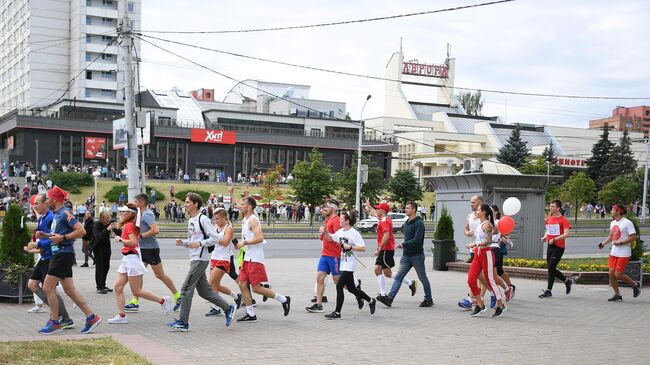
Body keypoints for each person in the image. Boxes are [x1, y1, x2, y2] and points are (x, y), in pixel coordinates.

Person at [36, 186, 102, 335]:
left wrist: (63, 238)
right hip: (59, 254)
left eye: (47, 199)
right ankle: (92, 317)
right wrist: (46, 235)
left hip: (63, 254)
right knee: (69, 290)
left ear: (54, 199)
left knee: (47, 287)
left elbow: (82, 231)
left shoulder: (65, 213)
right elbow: (58, 235)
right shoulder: (57, 214)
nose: (46, 201)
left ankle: (55, 321)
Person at [167, 193, 236, 331]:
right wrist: (184, 243)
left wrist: (199, 243)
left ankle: (183, 322)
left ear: (195, 204)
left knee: (186, 289)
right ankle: (228, 308)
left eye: (187, 202)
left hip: (200, 259)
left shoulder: (203, 219)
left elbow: (215, 238)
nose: (185, 205)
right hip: (194, 258)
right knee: (204, 291)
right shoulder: (191, 220)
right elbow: (193, 241)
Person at [229, 186, 291, 322]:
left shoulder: (253, 219)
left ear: (250, 207)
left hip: (255, 259)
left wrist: (243, 243)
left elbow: (260, 238)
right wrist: (232, 193)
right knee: (242, 284)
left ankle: (284, 299)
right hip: (247, 258)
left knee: (256, 288)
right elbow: (237, 203)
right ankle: (251, 314)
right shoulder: (245, 219)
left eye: (243, 204)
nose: (240, 206)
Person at [108, 203, 173, 324]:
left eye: (123, 212)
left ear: (130, 214)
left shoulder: (129, 226)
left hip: (132, 260)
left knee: (136, 291)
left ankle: (163, 301)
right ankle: (122, 316)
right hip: (127, 259)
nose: (121, 214)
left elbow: (133, 242)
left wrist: (120, 239)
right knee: (118, 287)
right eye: (121, 212)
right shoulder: (129, 225)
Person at [124, 194, 181, 313]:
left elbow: (156, 230)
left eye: (136, 201)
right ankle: (135, 302)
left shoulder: (147, 214)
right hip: (142, 248)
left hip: (151, 249)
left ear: (141, 202)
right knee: (138, 274)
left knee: (160, 275)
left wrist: (140, 236)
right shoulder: (140, 214)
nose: (134, 203)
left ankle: (178, 296)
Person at [24, 194, 74, 328]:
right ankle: (56, 313)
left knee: (50, 289)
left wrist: (38, 244)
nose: (34, 206)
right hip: (44, 257)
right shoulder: (42, 218)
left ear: (45, 203)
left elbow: (53, 240)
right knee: (32, 285)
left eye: (36, 203)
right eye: (34, 204)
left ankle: (64, 318)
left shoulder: (51, 218)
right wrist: (34, 249)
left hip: (52, 257)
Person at [320, 211, 376, 319]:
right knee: (351, 289)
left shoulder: (354, 233)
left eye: (341, 219)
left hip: (350, 264)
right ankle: (371, 300)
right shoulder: (341, 231)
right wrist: (326, 231)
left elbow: (363, 248)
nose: (339, 221)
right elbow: (330, 238)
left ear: (347, 221)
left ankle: (337, 312)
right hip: (343, 263)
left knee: (339, 285)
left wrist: (350, 247)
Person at [380, 201, 434, 308]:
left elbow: (417, 240)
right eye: (405, 208)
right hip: (406, 256)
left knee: (422, 277)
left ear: (414, 210)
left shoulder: (419, 224)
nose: (406, 209)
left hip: (417, 256)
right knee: (399, 276)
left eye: (408, 208)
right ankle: (390, 298)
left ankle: (428, 299)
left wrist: (404, 244)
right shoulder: (406, 224)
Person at [367, 200, 416, 304]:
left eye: (378, 208)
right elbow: (375, 213)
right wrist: (369, 206)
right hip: (385, 249)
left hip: (385, 249)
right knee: (384, 272)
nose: (376, 210)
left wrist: (379, 248)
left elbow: (386, 235)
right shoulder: (383, 218)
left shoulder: (384, 220)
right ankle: (410, 283)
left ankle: (383, 294)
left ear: (383, 210)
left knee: (380, 271)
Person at [466, 204, 507, 317]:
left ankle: (500, 305)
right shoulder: (480, 225)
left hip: (487, 254)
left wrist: (475, 244)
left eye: (479, 209)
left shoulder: (487, 225)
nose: (476, 211)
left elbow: (489, 241)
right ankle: (480, 304)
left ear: (484, 212)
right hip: (478, 254)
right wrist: (475, 245)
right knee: (471, 279)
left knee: (490, 281)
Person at [598, 204, 641, 301]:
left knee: (618, 275)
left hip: (624, 251)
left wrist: (621, 242)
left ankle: (635, 285)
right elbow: (611, 236)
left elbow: (633, 237)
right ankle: (617, 295)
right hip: (614, 251)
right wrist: (603, 243)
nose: (611, 211)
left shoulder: (627, 223)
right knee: (611, 274)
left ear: (619, 211)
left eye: (613, 210)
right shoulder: (613, 223)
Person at [306, 199, 341, 313]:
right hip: (325, 254)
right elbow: (323, 238)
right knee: (320, 278)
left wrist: (326, 233)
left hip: (334, 255)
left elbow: (337, 238)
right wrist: (321, 233)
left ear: (334, 208)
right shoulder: (328, 220)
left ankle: (358, 294)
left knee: (339, 282)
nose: (324, 209)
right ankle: (318, 304)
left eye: (327, 206)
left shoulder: (336, 221)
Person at [207, 207, 242, 315]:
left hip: (224, 259)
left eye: (217, 219)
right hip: (214, 257)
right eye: (214, 219)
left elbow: (226, 242)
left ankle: (217, 307)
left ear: (224, 218)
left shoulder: (228, 228)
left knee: (211, 283)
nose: (215, 221)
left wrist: (214, 239)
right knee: (216, 285)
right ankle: (236, 296)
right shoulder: (216, 226)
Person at [539, 199, 574, 299]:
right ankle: (567, 281)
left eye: (552, 206)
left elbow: (567, 234)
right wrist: (545, 237)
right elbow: (548, 230)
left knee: (551, 267)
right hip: (550, 245)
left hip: (559, 247)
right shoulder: (549, 219)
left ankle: (549, 291)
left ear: (558, 208)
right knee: (551, 268)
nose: (550, 208)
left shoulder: (563, 220)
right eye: (550, 206)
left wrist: (555, 239)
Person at [458, 195, 484, 310]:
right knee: (476, 276)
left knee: (483, 276)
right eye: (470, 202)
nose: (471, 204)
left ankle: (481, 298)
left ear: (480, 203)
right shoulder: (470, 216)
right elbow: (466, 229)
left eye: (473, 202)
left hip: (484, 249)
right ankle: (473, 299)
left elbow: (491, 232)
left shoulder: (485, 216)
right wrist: (467, 233)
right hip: (473, 249)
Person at [93, 211, 118, 294]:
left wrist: (115, 227)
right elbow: (98, 237)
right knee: (99, 267)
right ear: (102, 218)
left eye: (109, 217)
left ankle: (103, 285)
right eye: (107, 218)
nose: (109, 219)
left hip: (106, 248)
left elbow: (119, 233)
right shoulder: (97, 225)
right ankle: (99, 287)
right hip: (98, 248)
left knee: (106, 266)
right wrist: (107, 229)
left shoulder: (109, 224)